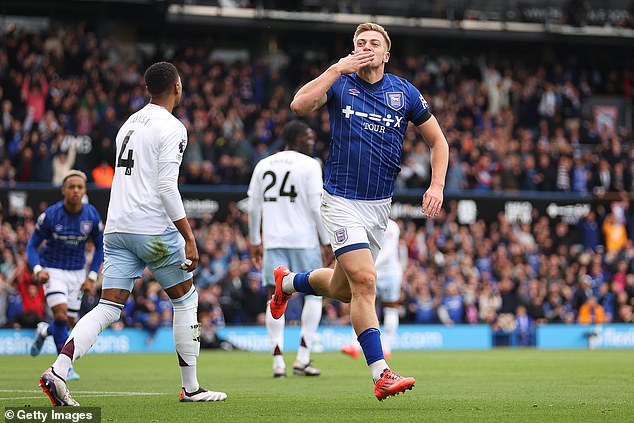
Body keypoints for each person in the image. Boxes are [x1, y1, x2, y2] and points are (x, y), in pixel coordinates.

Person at [276, 22, 449, 401]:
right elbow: (299, 105)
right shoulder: (340, 83)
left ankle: (288, 283)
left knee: (343, 288)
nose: (366, 47)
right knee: (366, 283)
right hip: (340, 200)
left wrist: (436, 185)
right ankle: (380, 373)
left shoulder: (404, 93)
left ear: (387, 54)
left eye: (374, 43)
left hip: (378, 208)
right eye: (360, 43)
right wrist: (338, 67)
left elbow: (438, 141)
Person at [38, 61, 227, 406]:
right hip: (151, 227)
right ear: (178, 88)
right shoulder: (173, 127)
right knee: (186, 299)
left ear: (147, 89)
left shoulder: (128, 123)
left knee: (108, 306)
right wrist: (189, 235)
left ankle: (58, 370)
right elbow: (167, 186)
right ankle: (191, 387)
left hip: (118, 226)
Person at [248, 120, 330, 378]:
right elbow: (317, 207)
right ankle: (302, 358)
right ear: (294, 138)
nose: (312, 141)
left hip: (273, 241)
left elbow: (252, 206)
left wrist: (254, 240)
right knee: (314, 296)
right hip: (304, 240)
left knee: (275, 298)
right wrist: (326, 241)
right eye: (308, 136)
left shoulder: (263, 164)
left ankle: (277, 361)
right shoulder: (310, 164)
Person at [28, 169, 104, 382]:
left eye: (79, 187)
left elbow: (100, 247)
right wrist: (37, 269)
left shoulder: (91, 215)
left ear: (84, 190)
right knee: (60, 315)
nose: (75, 191)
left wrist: (91, 276)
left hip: (77, 273)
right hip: (53, 270)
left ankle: (45, 331)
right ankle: (65, 368)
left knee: (67, 323)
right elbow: (32, 246)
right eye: (71, 187)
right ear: (63, 190)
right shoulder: (51, 215)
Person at [341, 218, 403, 360]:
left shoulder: (392, 226)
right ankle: (354, 345)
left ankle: (386, 347)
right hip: (372, 271)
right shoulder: (367, 224)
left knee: (391, 308)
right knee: (362, 304)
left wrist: (368, 265)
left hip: (388, 273)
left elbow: (388, 253)